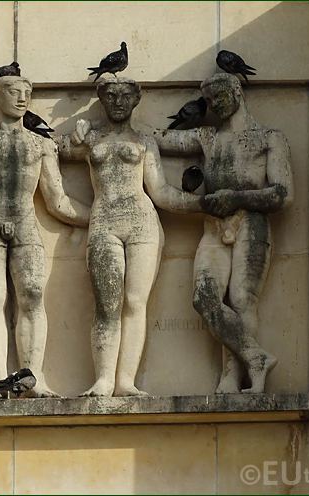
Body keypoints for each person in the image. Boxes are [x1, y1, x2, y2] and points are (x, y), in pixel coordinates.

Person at [57, 78, 204, 397]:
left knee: (136, 302)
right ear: (103, 100)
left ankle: (125, 380)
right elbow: (55, 149)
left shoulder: (144, 140)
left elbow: (161, 192)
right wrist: (74, 138)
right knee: (107, 304)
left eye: (126, 96)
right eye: (112, 96)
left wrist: (203, 204)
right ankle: (104, 379)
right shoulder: (91, 137)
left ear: (136, 101)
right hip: (104, 220)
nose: (119, 102)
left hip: (141, 222)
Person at [0, 76, 89, 398]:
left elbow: (58, 201)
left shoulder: (41, 145)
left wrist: (98, 216)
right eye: (14, 91)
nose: (22, 98)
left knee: (33, 298)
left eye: (27, 93)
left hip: (26, 222)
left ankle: (32, 379)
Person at [153, 73, 294, 393]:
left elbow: (283, 193)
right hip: (214, 225)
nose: (215, 104)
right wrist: (126, 131)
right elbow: (163, 140)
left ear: (237, 93)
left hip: (251, 222)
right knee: (204, 298)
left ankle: (237, 377)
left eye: (219, 96)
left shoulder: (269, 137)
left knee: (242, 300)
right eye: (210, 100)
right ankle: (254, 356)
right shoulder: (208, 137)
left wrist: (237, 197)